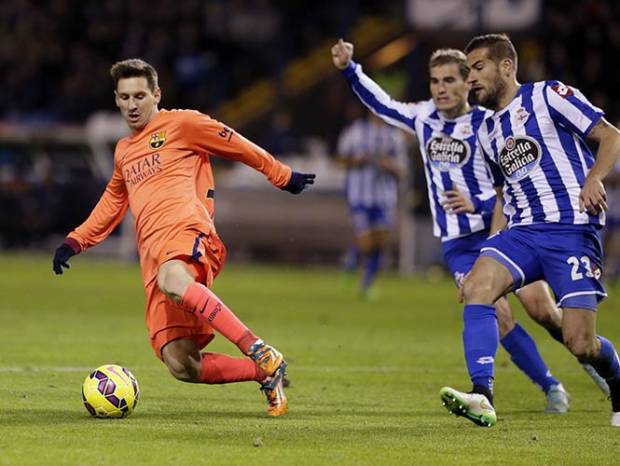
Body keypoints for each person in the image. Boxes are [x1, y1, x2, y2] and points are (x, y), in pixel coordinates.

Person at [330, 39, 609, 415]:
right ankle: (546, 387)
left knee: (543, 311)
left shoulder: (488, 120)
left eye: (451, 80)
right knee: (499, 314)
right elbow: (382, 104)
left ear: (468, 84)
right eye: (434, 81)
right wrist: (351, 68)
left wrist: (479, 204)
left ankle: (591, 359)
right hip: (461, 241)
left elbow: (507, 186)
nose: (442, 89)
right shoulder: (424, 118)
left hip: (504, 225)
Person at [52, 58, 315, 417]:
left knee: (173, 279)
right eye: (125, 97)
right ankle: (267, 371)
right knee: (181, 363)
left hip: (187, 230)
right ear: (116, 99)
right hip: (153, 255)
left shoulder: (182, 123)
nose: (132, 104)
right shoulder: (124, 151)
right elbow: (113, 201)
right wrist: (75, 241)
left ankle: (258, 348)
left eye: (140, 95)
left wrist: (282, 174)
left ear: (156, 94)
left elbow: (237, 144)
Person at [439, 33, 620, 427]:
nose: (470, 79)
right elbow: (504, 196)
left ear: (507, 66)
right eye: (467, 71)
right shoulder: (487, 132)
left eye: (478, 68)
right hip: (522, 233)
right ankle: (483, 394)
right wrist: (488, 248)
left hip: (571, 229)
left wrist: (594, 178)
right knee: (477, 288)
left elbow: (610, 135)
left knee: (580, 343)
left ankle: (618, 384)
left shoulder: (548, 95)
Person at [337, 109, 407, 297]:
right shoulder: (355, 132)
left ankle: (366, 285)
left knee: (381, 243)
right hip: (359, 196)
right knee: (367, 242)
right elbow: (341, 160)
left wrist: (389, 165)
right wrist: (357, 161)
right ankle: (350, 265)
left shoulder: (394, 136)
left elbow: (403, 170)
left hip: (384, 197)